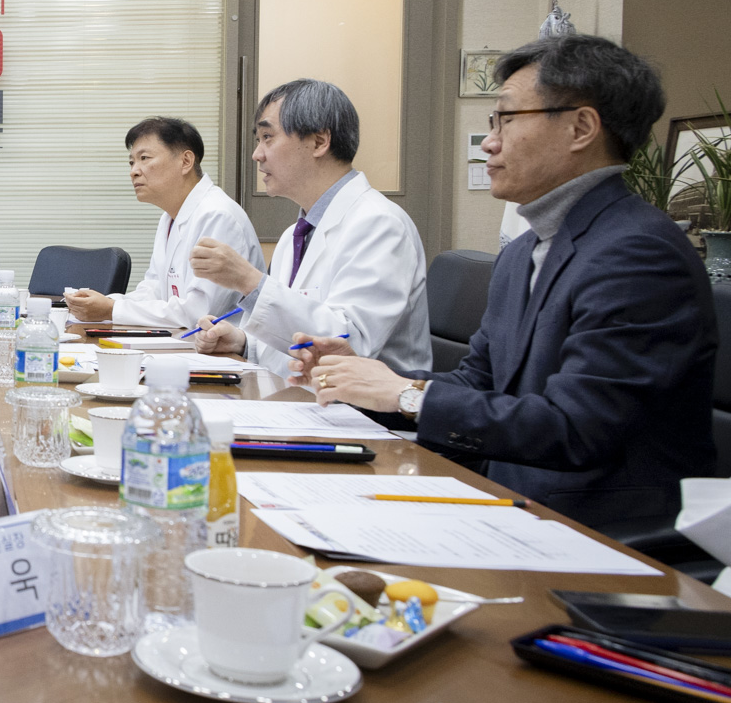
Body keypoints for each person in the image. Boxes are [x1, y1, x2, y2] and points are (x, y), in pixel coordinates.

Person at [294, 36, 717, 527]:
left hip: (600, 531)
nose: (489, 141)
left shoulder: (638, 252)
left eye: (506, 120)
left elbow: (578, 428)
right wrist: (368, 382)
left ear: (581, 127)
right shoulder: (524, 250)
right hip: (509, 502)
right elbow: (480, 383)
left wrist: (405, 396)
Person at [189, 78, 431, 377]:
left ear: (319, 142)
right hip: (302, 399)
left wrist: (248, 280)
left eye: (268, 137)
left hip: (366, 415)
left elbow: (349, 343)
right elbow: (297, 328)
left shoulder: (380, 224)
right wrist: (242, 343)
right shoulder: (297, 233)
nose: (257, 154)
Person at [63, 117, 263, 328]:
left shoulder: (218, 215)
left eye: (145, 158)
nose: (134, 171)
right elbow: (154, 289)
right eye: (132, 162)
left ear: (186, 161)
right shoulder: (169, 216)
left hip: (224, 353)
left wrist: (112, 310)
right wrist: (109, 302)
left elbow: (199, 312)